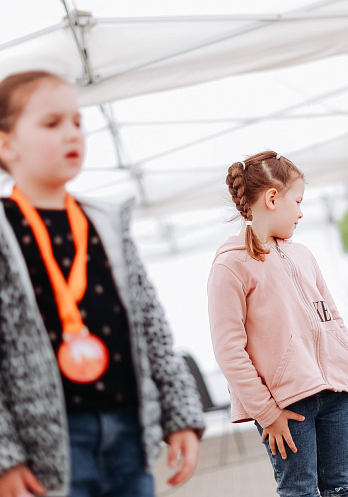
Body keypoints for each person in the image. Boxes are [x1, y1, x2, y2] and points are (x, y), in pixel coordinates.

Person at [0, 70, 205, 497]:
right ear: (6, 144)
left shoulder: (108, 224)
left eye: (77, 122)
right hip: (49, 448)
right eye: (52, 123)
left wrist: (180, 413)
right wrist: (5, 454)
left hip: (128, 425)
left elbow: (152, 327)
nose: (72, 133)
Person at [208, 151, 348, 497]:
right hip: (286, 409)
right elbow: (229, 350)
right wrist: (266, 412)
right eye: (297, 201)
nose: (300, 211)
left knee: (345, 487)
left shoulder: (303, 255)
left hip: (337, 396)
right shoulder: (230, 266)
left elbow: (333, 319)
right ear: (271, 198)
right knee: (300, 491)